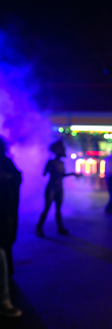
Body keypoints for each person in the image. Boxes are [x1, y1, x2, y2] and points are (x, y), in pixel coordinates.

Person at [35, 139, 78, 237]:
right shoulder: (51, 162)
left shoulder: (61, 163)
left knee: (58, 209)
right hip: (51, 188)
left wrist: (73, 174)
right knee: (47, 208)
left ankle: (60, 228)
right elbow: (44, 173)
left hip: (59, 187)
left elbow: (62, 175)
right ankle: (39, 228)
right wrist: (49, 169)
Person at [0, 137, 22, 319]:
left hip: (4, 211)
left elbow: (16, 177)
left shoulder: (5, 162)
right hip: (5, 212)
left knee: (4, 248)